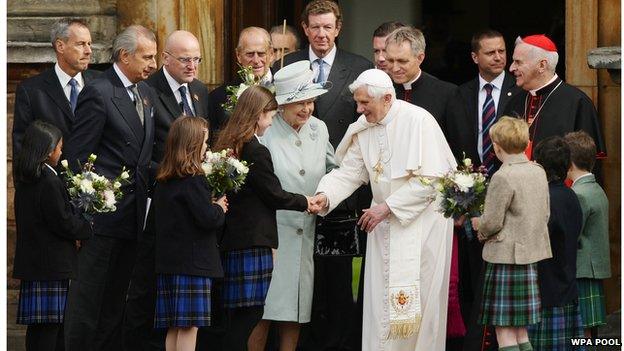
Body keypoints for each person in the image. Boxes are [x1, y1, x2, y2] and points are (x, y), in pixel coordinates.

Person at [311, 68, 457, 350]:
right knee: (380, 304)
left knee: (420, 303)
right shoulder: (364, 128)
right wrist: (325, 195)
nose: (359, 109)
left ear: (388, 98)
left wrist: (386, 207)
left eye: (365, 103)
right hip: (384, 227)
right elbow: (350, 172)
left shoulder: (419, 121)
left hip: (422, 227)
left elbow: (433, 180)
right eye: (358, 102)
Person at [279, 2, 373, 349]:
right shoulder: (286, 66)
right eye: (315, 27)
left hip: (341, 191)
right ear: (305, 28)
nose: (321, 33)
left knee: (336, 282)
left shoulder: (360, 67)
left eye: (327, 27)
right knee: (298, 282)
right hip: (292, 193)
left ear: (338, 29)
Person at [63, 25, 157, 351]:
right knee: (89, 303)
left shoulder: (145, 93)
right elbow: (77, 159)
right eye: (147, 57)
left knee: (116, 303)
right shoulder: (99, 92)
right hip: (100, 222)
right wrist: (82, 217)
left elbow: (144, 158)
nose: (153, 64)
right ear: (124, 55)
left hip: (134, 218)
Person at [213, 85, 313, 351]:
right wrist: (306, 202)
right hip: (253, 240)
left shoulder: (229, 144)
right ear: (257, 115)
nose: (271, 122)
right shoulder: (255, 150)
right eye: (269, 115)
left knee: (238, 315)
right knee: (250, 314)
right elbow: (274, 194)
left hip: (234, 239)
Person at [446, 29, 520, 351]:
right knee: (473, 272)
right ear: (475, 57)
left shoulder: (519, 92)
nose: (499, 57)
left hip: (510, 193)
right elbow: (451, 145)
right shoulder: (459, 95)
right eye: (490, 53)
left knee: (502, 275)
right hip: (470, 195)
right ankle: (477, 340)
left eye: (502, 51)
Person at [254, 61, 336, 351]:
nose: (307, 109)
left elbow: (333, 169)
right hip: (271, 235)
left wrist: (327, 194)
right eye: (299, 103)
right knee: (263, 309)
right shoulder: (264, 129)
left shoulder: (319, 128)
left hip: (306, 231)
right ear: (282, 104)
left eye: (311, 101)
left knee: (297, 309)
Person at [471, 116, 552, 351]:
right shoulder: (538, 170)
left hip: (505, 257)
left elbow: (493, 222)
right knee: (521, 332)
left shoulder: (502, 176)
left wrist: (479, 225)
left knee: (504, 332)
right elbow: (544, 213)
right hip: (529, 254)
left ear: (497, 146)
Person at [13, 121, 92, 351]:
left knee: (37, 331)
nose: (61, 152)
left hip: (35, 264)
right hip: (52, 266)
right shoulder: (49, 180)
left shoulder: (26, 178)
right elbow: (63, 222)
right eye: (59, 148)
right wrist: (87, 226)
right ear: (48, 151)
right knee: (51, 331)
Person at [151, 116, 228, 351]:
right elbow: (207, 219)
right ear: (193, 145)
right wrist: (219, 207)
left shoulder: (165, 179)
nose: (207, 147)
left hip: (170, 263)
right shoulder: (193, 180)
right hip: (193, 266)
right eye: (204, 142)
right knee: (189, 327)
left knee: (175, 326)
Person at [503, 34, 606, 162]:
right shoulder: (514, 102)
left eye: (518, 62)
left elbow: (586, 164)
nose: (511, 68)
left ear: (542, 65)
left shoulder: (578, 102)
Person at [12, 18, 100, 158]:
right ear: (60, 46)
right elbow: (22, 147)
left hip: (97, 177)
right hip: (51, 178)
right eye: (81, 44)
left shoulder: (102, 83)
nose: (89, 51)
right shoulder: (31, 90)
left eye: (89, 44)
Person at [529, 136, 584, 350]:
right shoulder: (570, 195)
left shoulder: (547, 199)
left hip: (548, 292)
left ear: (539, 166)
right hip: (566, 286)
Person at [564, 131, 611, 338]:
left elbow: (572, 233)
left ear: (569, 162)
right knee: (587, 328)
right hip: (590, 267)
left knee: (582, 329)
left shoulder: (579, 194)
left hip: (582, 268)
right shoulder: (596, 188)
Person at [147, 30, 218, 161]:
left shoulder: (200, 89)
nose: (192, 66)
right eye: (185, 60)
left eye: (196, 59)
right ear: (165, 58)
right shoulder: (147, 90)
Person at [384, 26, 456, 136]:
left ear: (420, 58)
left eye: (402, 61)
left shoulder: (447, 93)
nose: (395, 68)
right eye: (390, 60)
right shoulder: (381, 90)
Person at [210, 27, 275, 127]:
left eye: (261, 54)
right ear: (238, 55)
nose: (256, 60)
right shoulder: (219, 97)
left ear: (271, 54)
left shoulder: (287, 88)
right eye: (250, 54)